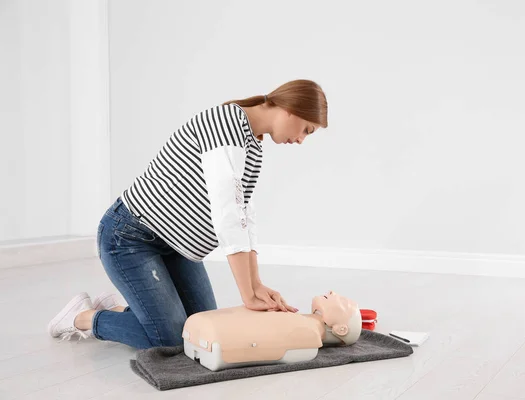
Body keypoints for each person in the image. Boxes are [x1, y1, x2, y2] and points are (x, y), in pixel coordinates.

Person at [47, 79, 328, 349]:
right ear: (293, 109)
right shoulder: (227, 124)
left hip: (176, 248)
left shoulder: (253, 143)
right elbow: (226, 210)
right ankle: (83, 317)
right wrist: (247, 295)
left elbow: (244, 215)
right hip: (130, 238)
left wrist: (257, 286)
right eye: (307, 129)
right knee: (170, 340)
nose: (302, 140)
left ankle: (116, 309)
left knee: (200, 329)